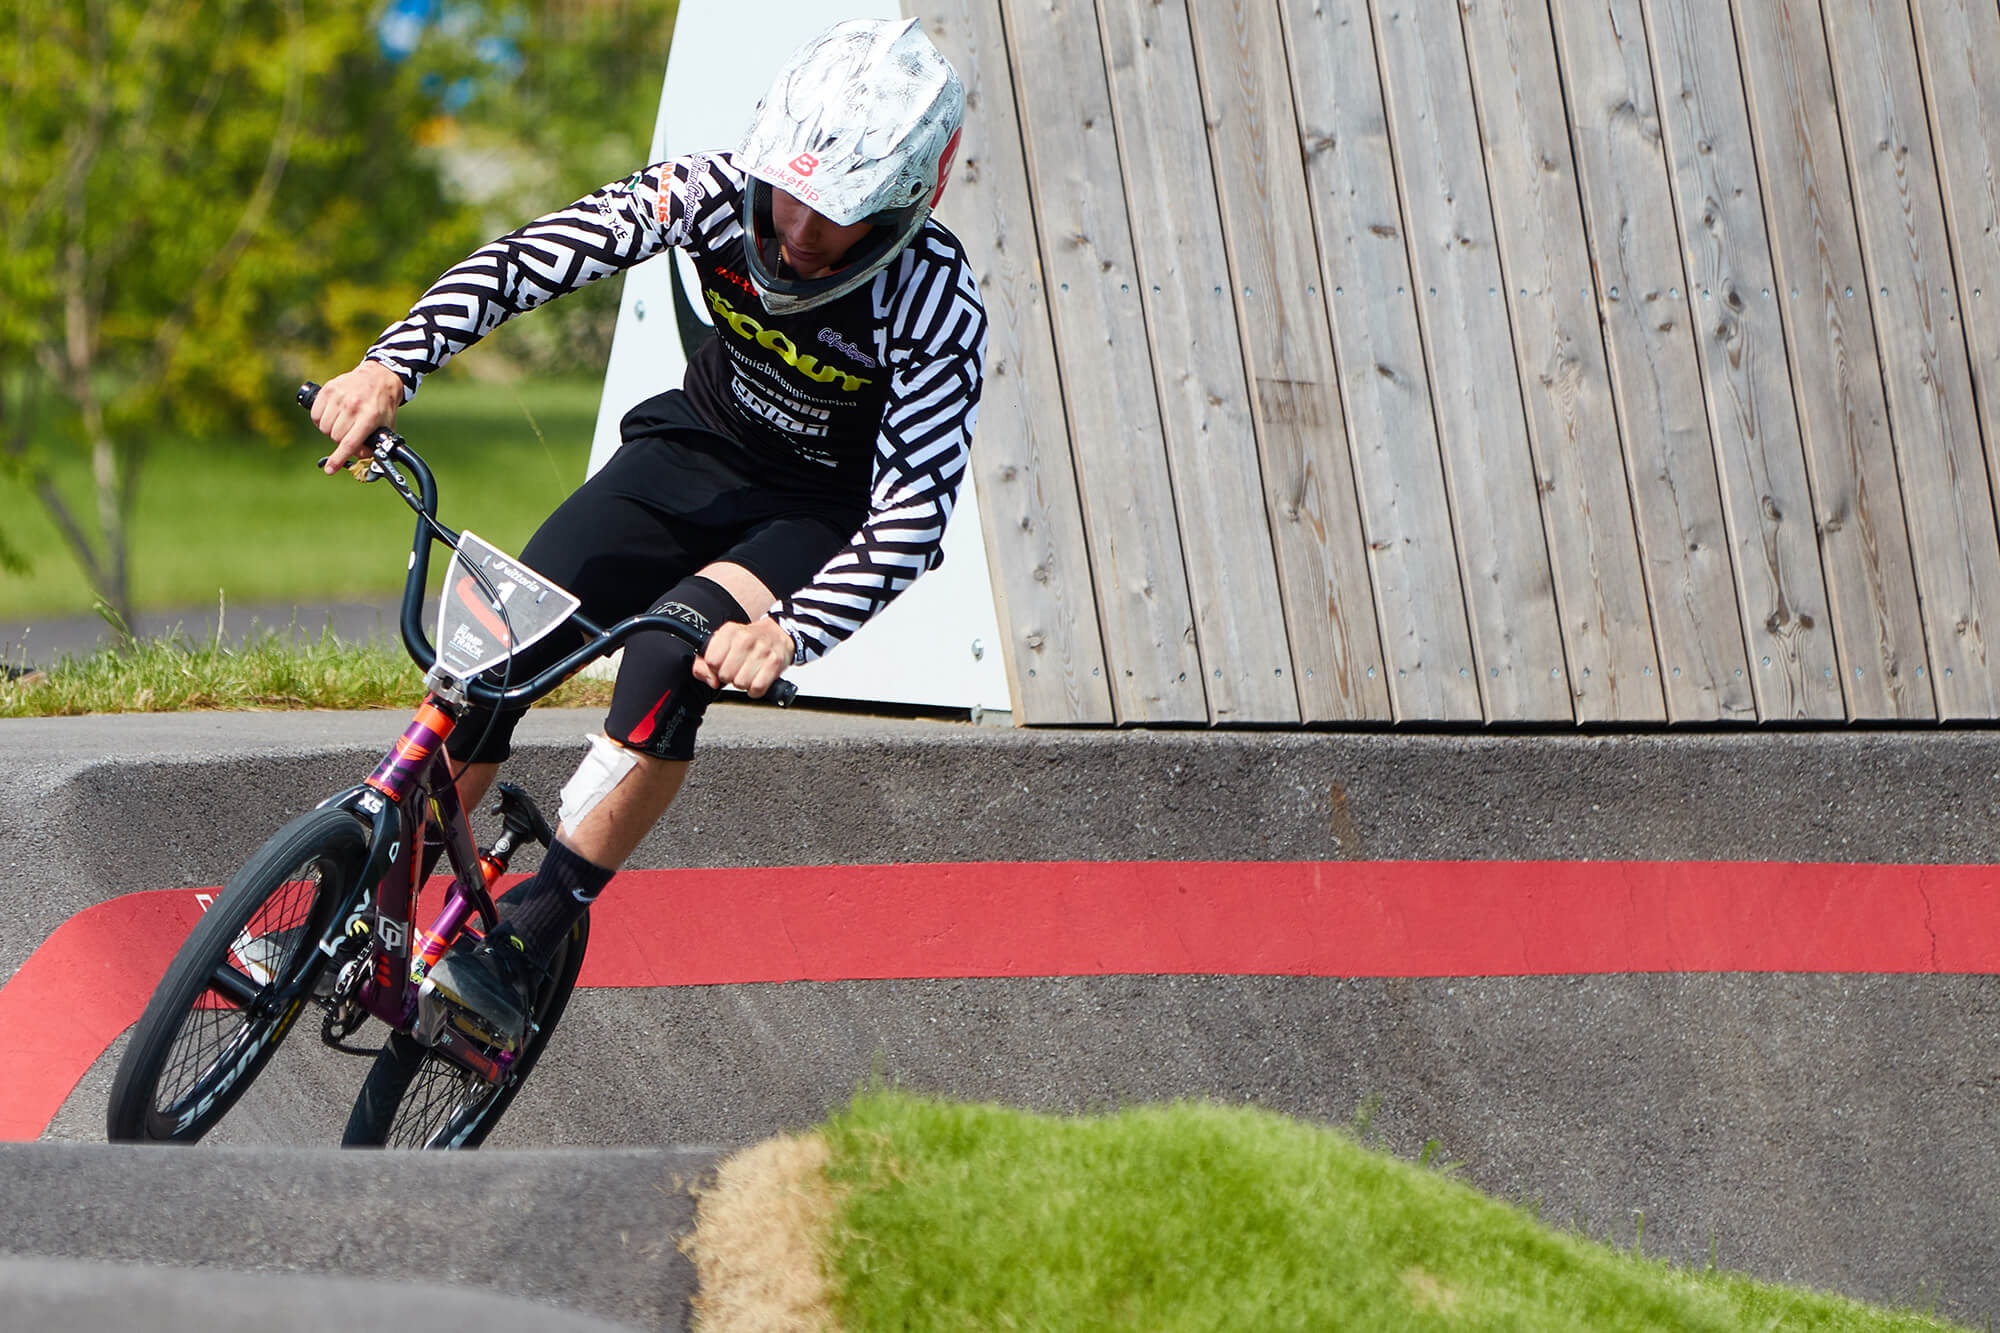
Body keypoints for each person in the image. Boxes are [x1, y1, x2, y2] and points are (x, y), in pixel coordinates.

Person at [307, 18, 986, 1051]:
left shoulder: (934, 300)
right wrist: (392, 364)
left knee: (669, 657)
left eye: (837, 216)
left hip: (803, 514)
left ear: (902, 207)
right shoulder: (711, 190)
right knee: (500, 638)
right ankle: (349, 913)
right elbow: (536, 257)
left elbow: (912, 513)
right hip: (686, 450)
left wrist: (790, 632)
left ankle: (532, 931)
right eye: (791, 194)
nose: (799, 231)